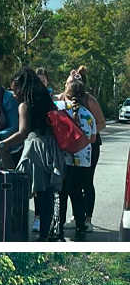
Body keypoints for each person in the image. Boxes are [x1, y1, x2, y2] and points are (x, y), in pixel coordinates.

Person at [0, 67, 67, 241]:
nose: (14, 93)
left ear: (24, 88)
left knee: (22, 193)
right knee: (46, 195)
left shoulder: (24, 106)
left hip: (35, 150)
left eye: (16, 89)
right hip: (52, 148)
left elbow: (22, 133)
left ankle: (18, 232)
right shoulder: (47, 102)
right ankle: (45, 235)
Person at [56, 76, 98, 239]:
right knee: (77, 193)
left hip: (64, 159)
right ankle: (81, 226)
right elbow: (93, 139)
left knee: (61, 194)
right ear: (82, 96)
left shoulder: (59, 109)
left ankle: (57, 228)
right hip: (83, 160)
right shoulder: (88, 116)